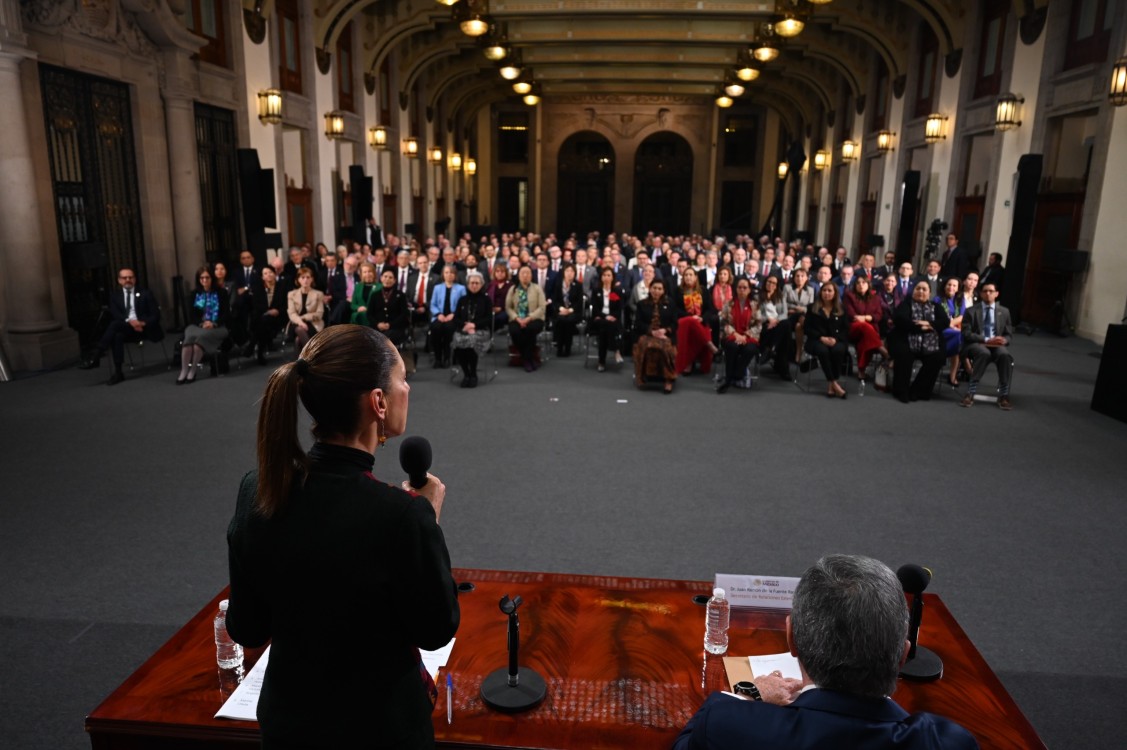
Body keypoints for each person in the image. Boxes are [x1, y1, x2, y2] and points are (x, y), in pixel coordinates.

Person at [226, 325, 459, 749]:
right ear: (379, 402)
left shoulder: (256, 489)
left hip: (289, 728)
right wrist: (427, 517)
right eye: (402, 378)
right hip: (379, 731)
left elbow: (247, 627)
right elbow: (434, 629)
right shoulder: (401, 516)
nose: (409, 387)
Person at [673, 554, 979, 750]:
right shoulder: (948, 743)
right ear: (902, 655)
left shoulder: (728, 724)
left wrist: (750, 692)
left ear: (791, 639)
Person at [80, 267, 164, 385]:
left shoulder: (146, 293)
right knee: (117, 334)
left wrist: (141, 323)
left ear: (135, 279)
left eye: (131, 277)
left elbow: (155, 315)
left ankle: (97, 355)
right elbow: (116, 314)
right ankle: (118, 372)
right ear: (119, 280)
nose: (128, 280)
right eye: (124, 278)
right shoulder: (115, 296)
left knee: (115, 327)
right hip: (127, 327)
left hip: (145, 328)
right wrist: (131, 322)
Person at [890, 281, 950, 403]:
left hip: (931, 341)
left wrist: (929, 324)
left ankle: (917, 391)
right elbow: (900, 319)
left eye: (924, 289)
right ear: (913, 291)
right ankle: (902, 391)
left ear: (929, 293)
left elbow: (945, 322)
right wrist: (920, 327)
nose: (921, 291)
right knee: (904, 355)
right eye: (918, 289)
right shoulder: (906, 304)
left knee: (937, 357)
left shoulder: (935, 306)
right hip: (906, 338)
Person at [959, 282, 1014, 410]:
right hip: (976, 344)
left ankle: (1004, 394)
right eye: (985, 291)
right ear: (981, 293)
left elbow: (1009, 334)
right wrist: (987, 339)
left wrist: (1004, 340)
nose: (988, 293)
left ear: (996, 294)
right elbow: (966, 333)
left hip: (996, 345)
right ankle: (970, 392)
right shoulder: (971, 311)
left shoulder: (1004, 312)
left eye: (990, 291)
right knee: (984, 353)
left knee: (1005, 355)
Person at [177, 266, 229, 384]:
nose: (204, 280)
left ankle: (193, 370)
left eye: (207, 277)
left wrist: (214, 323)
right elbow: (191, 315)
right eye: (202, 278)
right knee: (189, 338)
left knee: (199, 342)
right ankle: (184, 370)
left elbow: (226, 314)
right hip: (197, 325)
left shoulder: (221, 293)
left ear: (212, 278)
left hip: (218, 326)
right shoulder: (194, 293)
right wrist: (201, 323)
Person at [804, 282, 850, 399]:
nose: (826, 293)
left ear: (835, 293)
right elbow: (807, 328)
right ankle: (834, 383)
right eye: (824, 290)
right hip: (815, 340)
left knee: (838, 350)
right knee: (823, 351)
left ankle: (831, 385)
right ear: (820, 292)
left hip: (837, 340)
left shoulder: (842, 309)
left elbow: (846, 329)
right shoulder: (812, 307)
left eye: (830, 291)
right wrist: (821, 337)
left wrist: (836, 339)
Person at [632, 278, 678, 394]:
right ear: (650, 289)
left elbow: (675, 323)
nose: (656, 291)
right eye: (654, 288)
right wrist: (651, 332)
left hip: (664, 334)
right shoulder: (642, 304)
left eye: (659, 289)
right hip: (647, 334)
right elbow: (638, 323)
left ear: (663, 291)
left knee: (665, 346)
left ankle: (668, 379)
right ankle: (642, 376)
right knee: (645, 344)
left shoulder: (670, 303)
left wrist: (665, 331)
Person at [717, 277, 760, 394]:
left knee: (750, 349)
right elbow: (724, 323)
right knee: (732, 347)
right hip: (731, 335)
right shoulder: (728, 303)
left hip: (748, 337)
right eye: (739, 287)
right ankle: (729, 380)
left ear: (749, 290)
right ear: (736, 289)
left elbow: (759, 325)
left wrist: (746, 336)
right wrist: (735, 334)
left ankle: (737, 373)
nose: (742, 290)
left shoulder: (755, 305)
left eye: (745, 287)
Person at [674, 268, 718, 375]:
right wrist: (691, 317)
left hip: (701, 321)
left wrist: (702, 318)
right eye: (686, 275)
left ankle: (690, 361)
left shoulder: (703, 290)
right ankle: (709, 345)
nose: (688, 277)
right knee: (690, 321)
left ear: (695, 277)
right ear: (683, 278)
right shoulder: (677, 291)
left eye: (690, 275)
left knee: (697, 326)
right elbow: (675, 309)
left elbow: (711, 309)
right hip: (683, 321)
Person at [452, 271, 492, 387]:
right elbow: (456, 318)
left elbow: (488, 318)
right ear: (468, 284)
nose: (474, 285)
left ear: (481, 284)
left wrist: (474, 325)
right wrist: (465, 326)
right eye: (471, 283)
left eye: (477, 283)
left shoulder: (486, 299)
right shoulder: (462, 299)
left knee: (471, 342)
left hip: (481, 330)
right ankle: (466, 374)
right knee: (457, 342)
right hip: (463, 329)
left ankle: (473, 374)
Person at [843, 275, 887, 375]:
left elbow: (879, 315)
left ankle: (861, 370)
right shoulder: (849, 296)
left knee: (865, 340)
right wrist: (868, 318)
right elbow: (851, 314)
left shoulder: (876, 298)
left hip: (869, 332)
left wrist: (866, 317)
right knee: (865, 326)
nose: (860, 285)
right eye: (858, 283)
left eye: (863, 282)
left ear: (868, 284)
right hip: (853, 329)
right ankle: (880, 347)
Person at [505, 265, 547, 372]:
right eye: (522, 273)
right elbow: (508, 307)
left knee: (530, 330)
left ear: (531, 275)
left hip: (534, 318)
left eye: (528, 273)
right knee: (515, 331)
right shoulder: (513, 289)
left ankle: (526, 359)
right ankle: (528, 358)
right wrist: (517, 318)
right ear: (518, 276)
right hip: (517, 319)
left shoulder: (537, 288)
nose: (525, 275)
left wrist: (529, 318)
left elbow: (542, 307)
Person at [428, 264, 466, 368]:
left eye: (452, 273)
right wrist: (438, 314)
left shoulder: (461, 288)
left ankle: (448, 357)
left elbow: (463, 305)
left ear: (455, 275)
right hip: (439, 316)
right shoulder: (437, 288)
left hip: (454, 317)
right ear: (443, 275)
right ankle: (438, 358)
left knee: (449, 328)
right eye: (447, 272)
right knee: (435, 328)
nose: (449, 275)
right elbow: (433, 304)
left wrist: (453, 314)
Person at [588, 266, 623, 372]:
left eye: (609, 275)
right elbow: (595, 309)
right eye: (604, 275)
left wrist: (612, 316)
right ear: (601, 277)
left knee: (605, 331)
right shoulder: (596, 291)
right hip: (600, 319)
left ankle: (601, 361)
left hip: (612, 319)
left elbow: (619, 309)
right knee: (605, 325)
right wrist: (605, 316)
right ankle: (616, 350)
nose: (606, 277)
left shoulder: (617, 291)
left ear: (612, 278)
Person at [251, 266, 287, 365]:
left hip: (279, 316)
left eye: (270, 272)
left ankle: (254, 346)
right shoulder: (258, 288)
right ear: (262, 277)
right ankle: (260, 352)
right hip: (263, 316)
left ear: (275, 273)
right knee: (262, 323)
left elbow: (286, 304)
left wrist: (278, 311)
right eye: (265, 273)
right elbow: (256, 305)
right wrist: (267, 311)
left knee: (262, 324)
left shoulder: (282, 286)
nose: (268, 275)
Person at [757, 274, 791, 379]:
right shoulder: (757, 296)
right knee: (786, 334)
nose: (771, 284)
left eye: (773, 283)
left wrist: (775, 321)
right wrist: (768, 319)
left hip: (778, 324)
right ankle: (784, 370)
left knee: (785, 324)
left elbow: (784, 314)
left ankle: (771, 348)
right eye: (769, 282)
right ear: (765, 283)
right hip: (764, 326)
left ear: (777, 286)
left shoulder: (781, 296)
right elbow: (757, 315)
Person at [936, 277, 966, 387]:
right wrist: (948, 325)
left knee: (959, 336)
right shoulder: (938, 299)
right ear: (944, 286)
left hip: (954, 327)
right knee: (958, 337)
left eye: (954, 285)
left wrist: (951, 324)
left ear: (958, 288)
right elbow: (938, 317)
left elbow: (962, 316)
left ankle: (952, 375)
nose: (951, 287)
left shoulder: (960, 300)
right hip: (941, 329)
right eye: (949, 285)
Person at [368, 269, 411, 347]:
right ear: (381, 278)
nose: (387, 279)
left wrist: (390, 325)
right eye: (385, 276)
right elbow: (369, 314)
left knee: (385, 337)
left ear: (394, 280)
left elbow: (404, 314)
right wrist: (378, 324)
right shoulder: (375, 295)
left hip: (395, 328)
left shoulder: (400, 295)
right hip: (377, 327)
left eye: (390, 277)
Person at [286, 267, 325, 352]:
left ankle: (299, 363)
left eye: (308, 277)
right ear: (298, 280)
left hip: (313, 323)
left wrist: (304, 318)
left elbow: (319, 314)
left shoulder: (318, 294)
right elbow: (292, 313)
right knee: (299, 329)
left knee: (298, 340)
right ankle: (312, 353)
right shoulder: (291, 294)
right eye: (302, 277)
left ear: (312, 279)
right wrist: (300, 322)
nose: (305, 280)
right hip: (295, 323)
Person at [550, 262, 584, 357]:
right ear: (563, 272)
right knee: (561, 320)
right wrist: (561, 308)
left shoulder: (578, 285)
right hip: (560, 311)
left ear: (575, 273)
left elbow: (579, 302)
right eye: (567, 271)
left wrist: (569, 310)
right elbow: (555, 300)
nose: (569, 273)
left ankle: (567, 347)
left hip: (574, 312)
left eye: (572, 271)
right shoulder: (558, 284)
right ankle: (560, 347)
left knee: (568, 320)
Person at [785, 268, 815, 367]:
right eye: (797, 276)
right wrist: (797, 308)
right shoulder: (787, 287)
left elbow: (810, 307)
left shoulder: (810, 290)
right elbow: (783, 303)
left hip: (803, 317)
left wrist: (799, 309)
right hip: (789, 315)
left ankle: (798, 352)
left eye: (802, 276)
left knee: (799, 326)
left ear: (806, 278)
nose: (799, 278)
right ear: (793, 277)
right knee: (796, 320)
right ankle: (793, 351)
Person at [349, 262, 381, 328]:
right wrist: (358, 308)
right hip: (359, 316)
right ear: (361, 274)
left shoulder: (380, 286)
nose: (367, 274)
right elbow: (353, 305)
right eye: (365, 272)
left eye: (369, 271)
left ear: (374, 273)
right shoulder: (358, 286)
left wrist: (368, 309)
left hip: (374, 316)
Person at [486, 262, 513, 330]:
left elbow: (512, 301)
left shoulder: (510, 285)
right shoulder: (491, 285)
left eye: (502, 271)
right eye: (497, 271)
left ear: (506, 273)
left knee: (501, 317)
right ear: (494, 273)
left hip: (505, 309)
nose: (500, 273)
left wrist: (501, 308)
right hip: (491, 309)